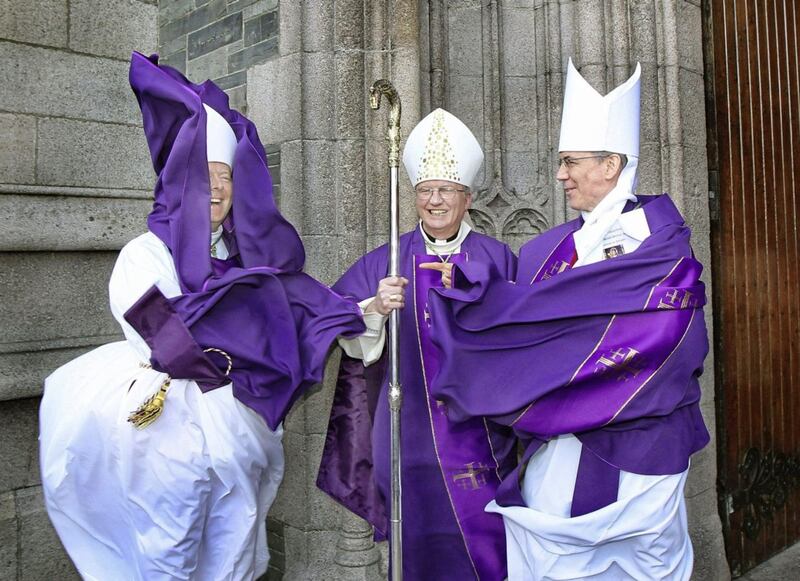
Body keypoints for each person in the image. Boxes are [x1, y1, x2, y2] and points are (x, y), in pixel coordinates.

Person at [39, 52, 364, 581]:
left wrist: (359, 310)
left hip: (238, 422)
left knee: (236, 535)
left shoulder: (247, 262)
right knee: (172, 540)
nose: (216, 188)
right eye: (204, 176)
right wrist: (245, 336)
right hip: (168, 425)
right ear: (179, 185)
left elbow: (301, 311)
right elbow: (162, 334)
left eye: (225, 177)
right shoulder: (145, 254)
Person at [426, 60, 710, 580]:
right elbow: (521, 324)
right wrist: (469, 302)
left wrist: (558, 366)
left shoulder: (664, 249)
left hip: (641, 453)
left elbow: (673, 343)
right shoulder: (547, 249)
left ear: (611, 164)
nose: (560, 175)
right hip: (557, 451)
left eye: (570, 161)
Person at [317, 109, 517, 580]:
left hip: (479, 431)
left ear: (467, 198)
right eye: (426, 190)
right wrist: (373, 309)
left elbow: (520, 338)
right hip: (404, 429)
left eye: (446, 190)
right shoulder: (389, 256)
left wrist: (478, 300)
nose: (434, 200)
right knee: (414, 538)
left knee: (486, 538)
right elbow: (331, 320)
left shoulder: (498, 257)